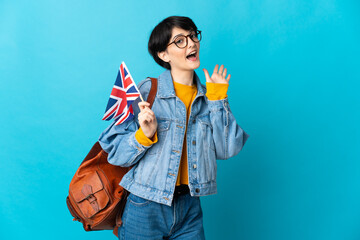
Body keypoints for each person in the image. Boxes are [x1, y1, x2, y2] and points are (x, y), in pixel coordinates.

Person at [99, 16, 249, 240]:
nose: (191, 43)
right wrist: (144, 135)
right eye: (180, 40)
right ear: (163, 54)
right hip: (146, 205)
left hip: (189, 207)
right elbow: (115, 152)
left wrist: (218, 99)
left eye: (192, 36)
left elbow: (227, 150)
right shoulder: (148, 91)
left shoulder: (209, 97)